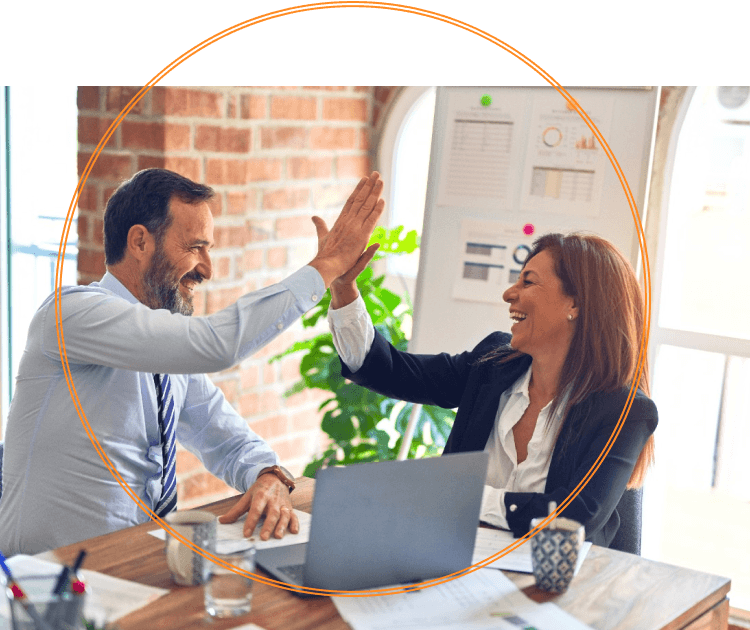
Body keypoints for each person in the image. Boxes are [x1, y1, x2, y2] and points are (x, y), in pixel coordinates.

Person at [0, 168, 383, 556]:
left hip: (133, 565)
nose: (207, 269)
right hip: (44, 581)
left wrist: (268, 475)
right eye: (195, 247)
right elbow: (218, 344)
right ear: (139, 242)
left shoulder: (163, 353)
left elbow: (225, 437)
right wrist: (327, 265)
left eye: (208, 249)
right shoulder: (71, 315)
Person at [327, 232, 657, 547]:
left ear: (576, 304)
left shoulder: (624, 411)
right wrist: (344, 290)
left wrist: (464, 496)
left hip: (556, 588)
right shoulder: (493, 366)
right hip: (454, 562)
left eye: (527, 281)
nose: (509, 293)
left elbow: (574, 516)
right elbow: (394, 371)